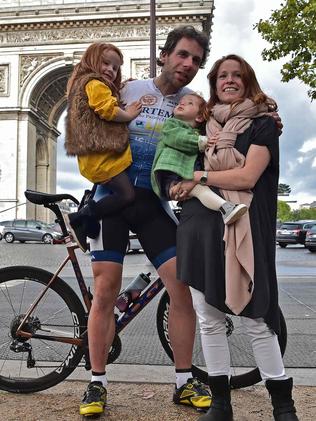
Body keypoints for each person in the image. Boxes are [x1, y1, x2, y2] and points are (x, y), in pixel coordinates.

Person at [78, 26, 213, 417]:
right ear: (165, 55)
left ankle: (184, 381)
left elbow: (228, 122)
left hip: (154, 202)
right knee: (105, 291)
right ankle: (96, 383)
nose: (188, 65)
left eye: (196, 61)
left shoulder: (194, 103)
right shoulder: (129, 89)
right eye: (183, 55)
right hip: (112, 196)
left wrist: (266, 111)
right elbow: (89, 110)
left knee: (181, 289)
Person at [170, 55, 299, 421]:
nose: (229, 80)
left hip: (245, 228)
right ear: (214, 83)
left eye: (236, 75)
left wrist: (199, 178)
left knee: (257, 318)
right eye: (222, 76)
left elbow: (247, 178)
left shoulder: (262, 125)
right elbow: (163, 150)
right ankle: (221, 405)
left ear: (248, 81)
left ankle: (283, 407)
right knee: (209, 319)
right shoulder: (202, 126)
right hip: (198, 228)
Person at [64, 42, 142, 251]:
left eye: (115, 67)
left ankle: (89, 221)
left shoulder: (85, 86)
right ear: (91, 61)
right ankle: (80, 217)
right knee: (127, 195)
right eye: (105, 63)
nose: (110, 69)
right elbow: (108, 110)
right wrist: (130, 114)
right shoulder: (95, 84)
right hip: (102, 160)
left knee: (117, 193)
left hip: (96, 159)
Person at [151, 92, 248, 225]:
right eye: (181, 102)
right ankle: (226, 208)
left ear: (199, 117)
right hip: (170, 172)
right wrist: (203, 141)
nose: (182, 103)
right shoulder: (172, 124)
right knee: (200, 189)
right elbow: (176, 138)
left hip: (186, 175)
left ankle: (225, 209)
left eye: (190, 103)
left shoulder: (200, 133)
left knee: (200, 191)